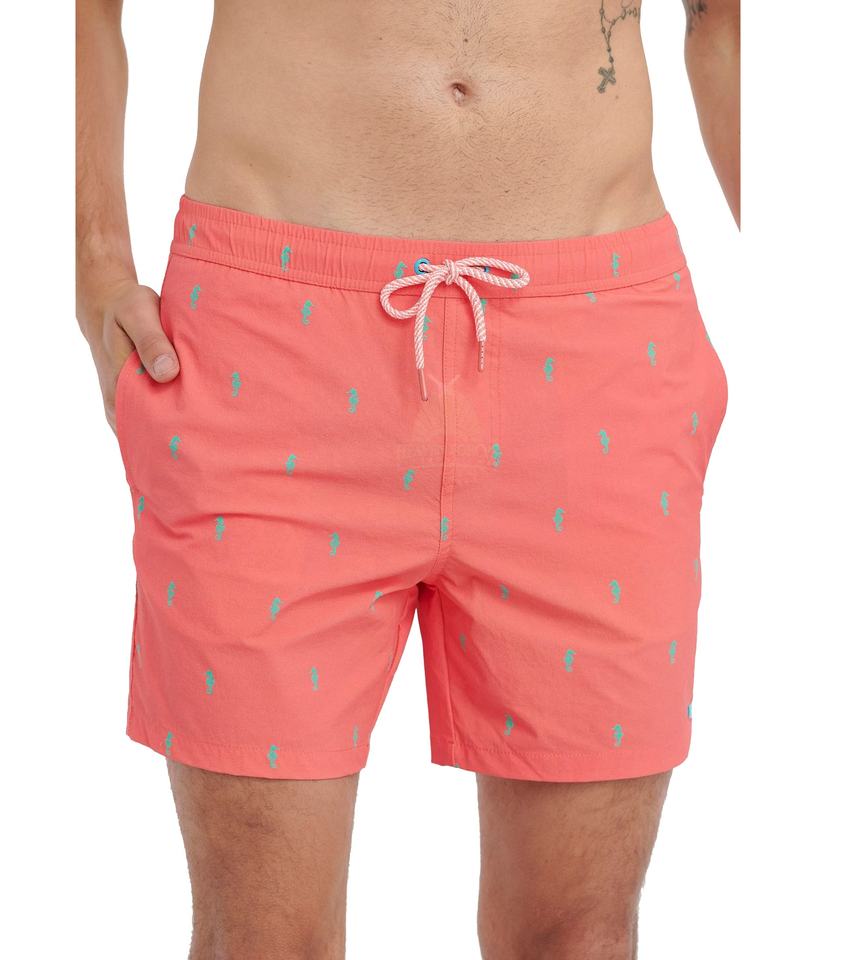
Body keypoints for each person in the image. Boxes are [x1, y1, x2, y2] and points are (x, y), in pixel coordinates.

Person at [76, 1, 738, 956]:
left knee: (580, 938)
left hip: (596, 353)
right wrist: (97, 258)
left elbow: (725, 28)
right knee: (262, 939)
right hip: (274, 352)